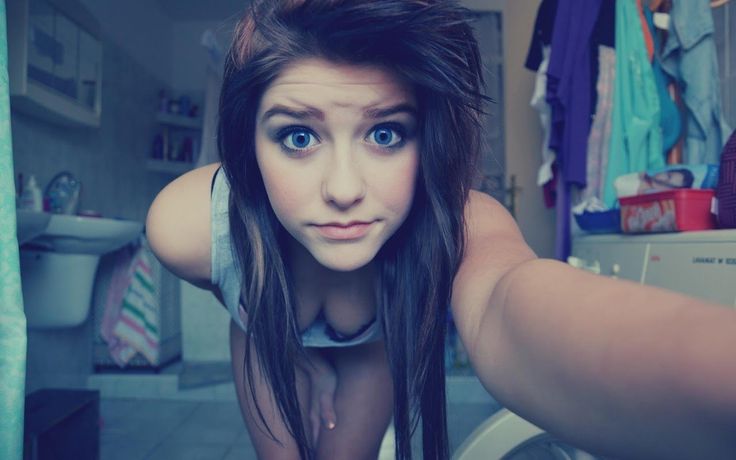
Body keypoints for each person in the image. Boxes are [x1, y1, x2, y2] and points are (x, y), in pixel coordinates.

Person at [145, 1, 736, 459]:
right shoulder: (186, 226)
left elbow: (510, 308)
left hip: (372, 350)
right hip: (265, 333)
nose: (344, 189)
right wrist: (296, 356)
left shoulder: (460, 218)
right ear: (250, 146)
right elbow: (224, 280)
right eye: (298, 136)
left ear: (427, 138)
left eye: (385, 134)